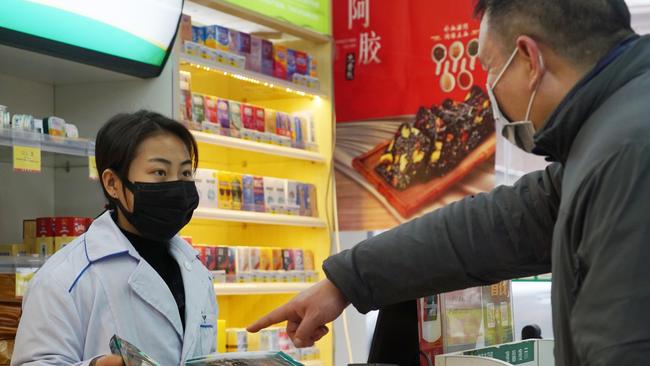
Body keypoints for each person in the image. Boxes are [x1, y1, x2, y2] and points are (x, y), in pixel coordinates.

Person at [248, 1, 650, 364]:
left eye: (491, 69)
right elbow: (497, 226)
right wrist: (347, 281)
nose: (490, 89)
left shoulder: (627, 154)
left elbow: (625, 346)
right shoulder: (608, 136)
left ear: (529, 58)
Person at [12, 111, 217, 365]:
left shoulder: (196, 271)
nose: (177, 186)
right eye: (160, 173)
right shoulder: (63, 278)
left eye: (185, 174)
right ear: (112, 184)